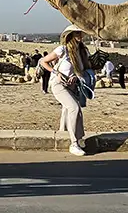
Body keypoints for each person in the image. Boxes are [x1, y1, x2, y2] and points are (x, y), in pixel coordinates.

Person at [39, 25, 93, 156]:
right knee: (74, 108)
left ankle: (79, 138)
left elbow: (82, 70)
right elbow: (43, 62)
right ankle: (74, 144)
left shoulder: (82, 52)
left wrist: (76, 76)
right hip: (59, 85)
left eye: (81, 33)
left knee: (76, 110)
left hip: (73, 86)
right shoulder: (62, 50)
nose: (80, 36)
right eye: (77, 33)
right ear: (70, 35)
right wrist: (56, 72)